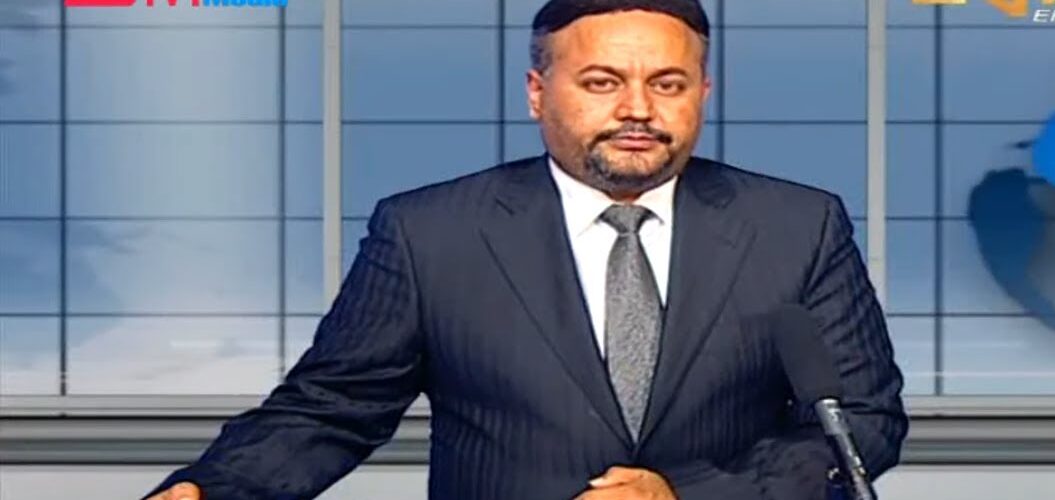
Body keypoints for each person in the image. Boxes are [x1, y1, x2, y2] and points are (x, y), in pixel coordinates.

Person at [145, 0, 907, 498]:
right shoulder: (429, 234)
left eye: (669, 84)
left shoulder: (798, 226)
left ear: (703, 94)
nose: (638, 109)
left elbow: (863, 421)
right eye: (602, 83)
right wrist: (214, 488)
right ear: (537, 92)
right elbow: (331, 410)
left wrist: (689, 495)